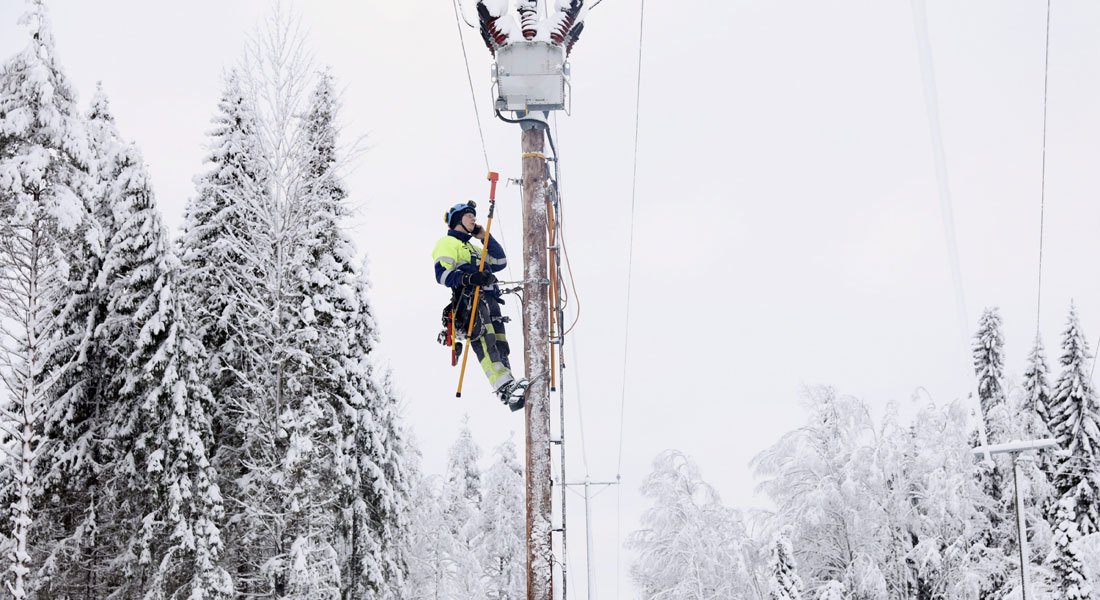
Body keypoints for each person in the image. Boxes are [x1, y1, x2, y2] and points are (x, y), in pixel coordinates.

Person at [433, 201, 527, 410]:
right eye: (469, 216)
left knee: (500, 344)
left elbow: (500, 261)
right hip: (469, 300)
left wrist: (484, 236)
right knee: (486, 340)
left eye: (474, 216)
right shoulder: (448, 243)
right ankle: (503, 387)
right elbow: (441, 274)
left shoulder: (474, 247)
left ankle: (509, 384)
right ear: (457, 220)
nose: (474, 219)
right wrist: (468, 278)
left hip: (490, 299)